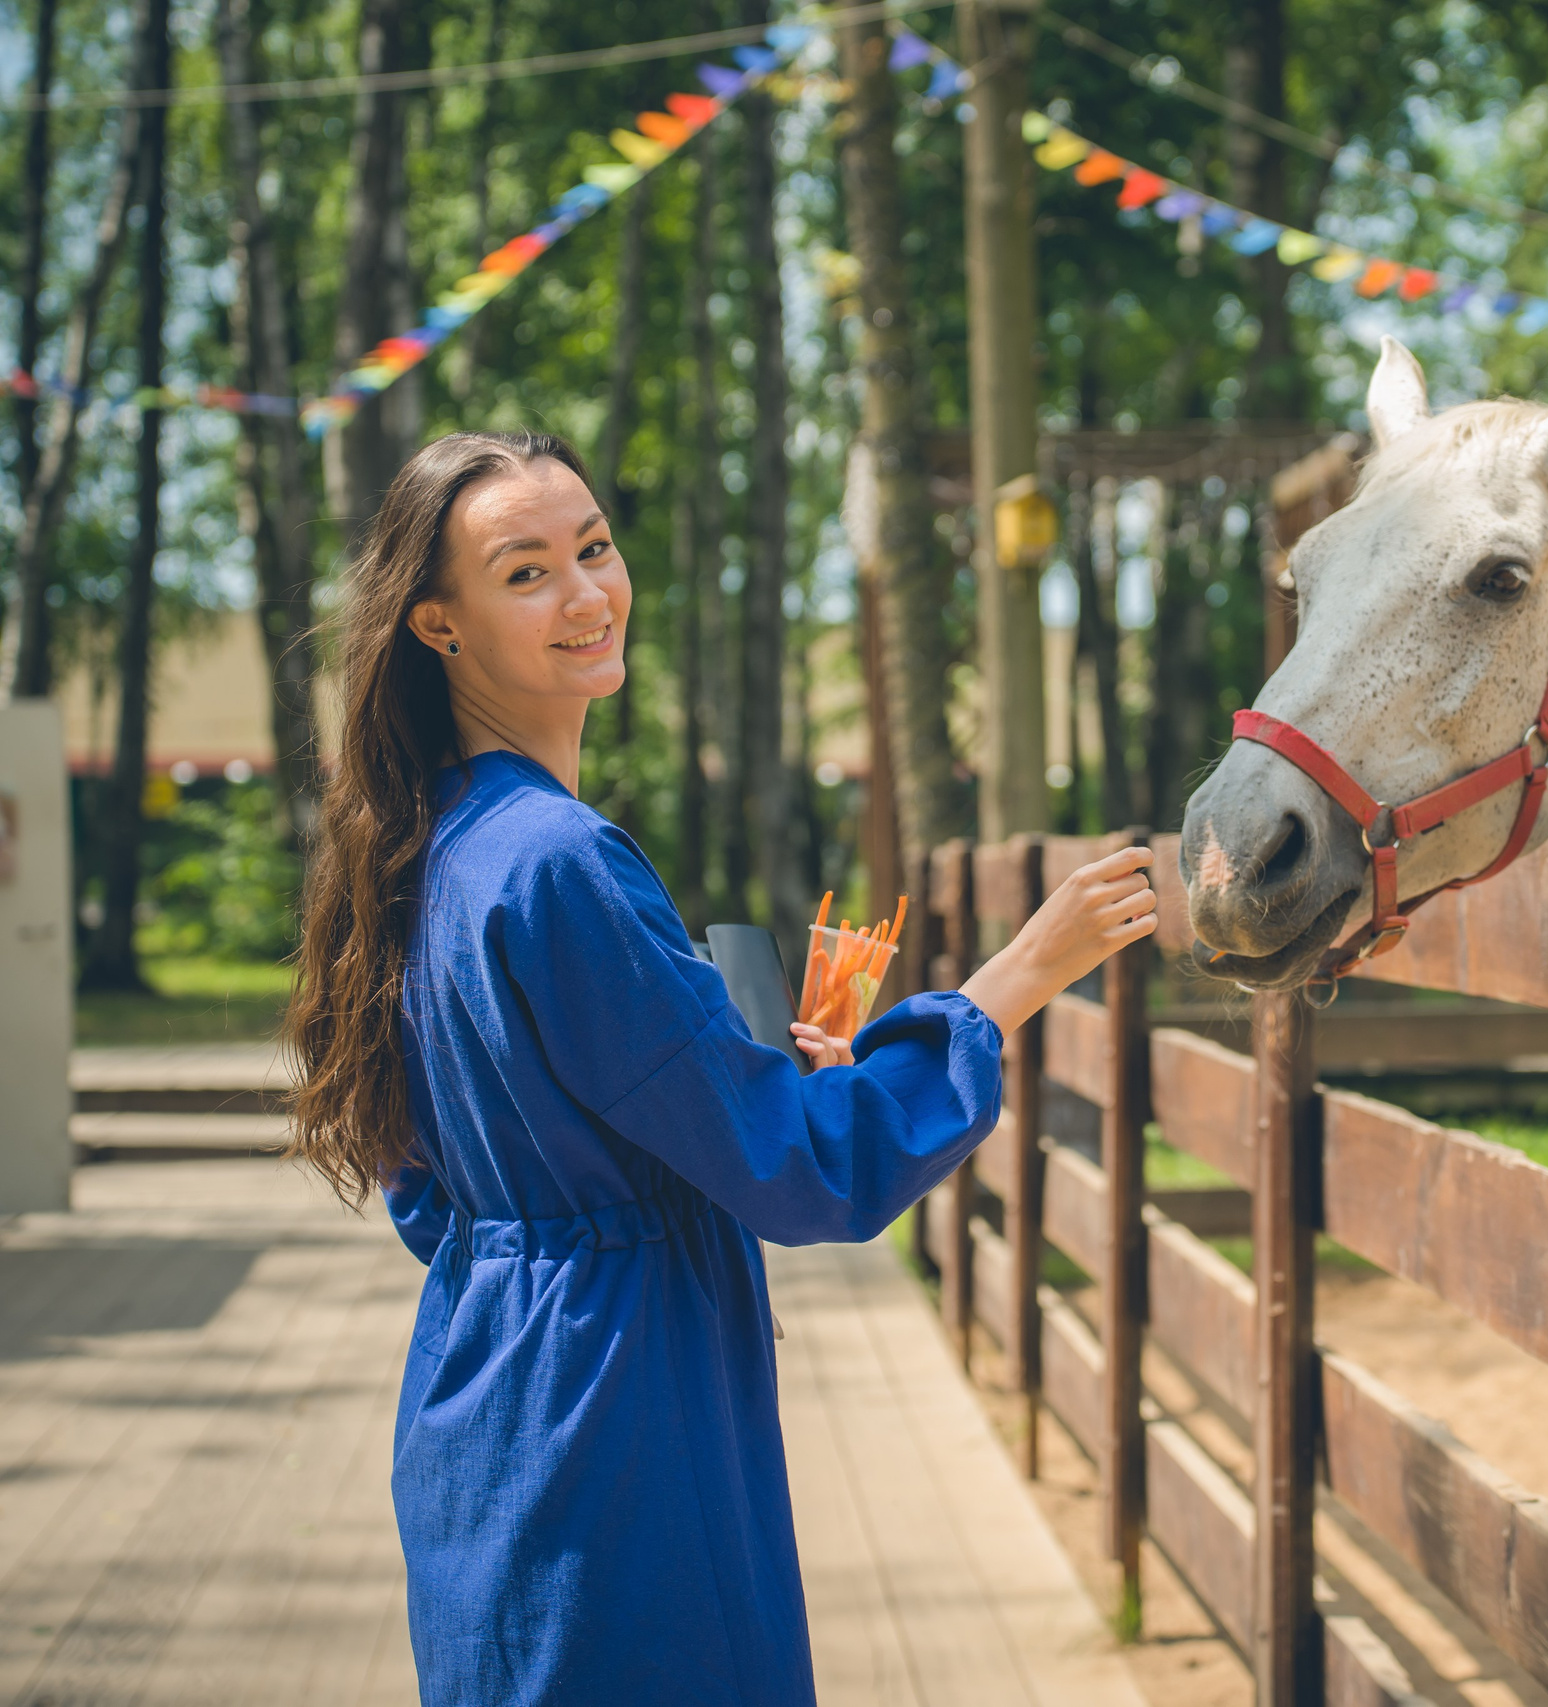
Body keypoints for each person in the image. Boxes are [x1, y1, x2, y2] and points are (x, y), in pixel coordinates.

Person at [283, 430, 1156, 1707]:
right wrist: (1014, 977)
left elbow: (429, 1180)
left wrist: (656, 1160)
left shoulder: (425, 847)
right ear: (438, 625)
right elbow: (805, 1171)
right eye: (525, 573)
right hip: (622, 1433)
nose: (586, 594)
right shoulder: (559, 863)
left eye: (593, 548)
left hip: (485, 1406)